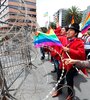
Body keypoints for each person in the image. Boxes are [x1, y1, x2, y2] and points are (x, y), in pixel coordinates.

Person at [51, 23, 87, 100]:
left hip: (71, 66)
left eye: (71, 30)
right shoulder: (63, 38)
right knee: (59, 78)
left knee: (69, 80)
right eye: (68, 30)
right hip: (62, 64)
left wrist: (69, 50)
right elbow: (54, 37)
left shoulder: (79, 42)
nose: (68, 32)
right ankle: (59, 90)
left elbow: (81, 54)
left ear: (76, 33)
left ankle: (70, 95)